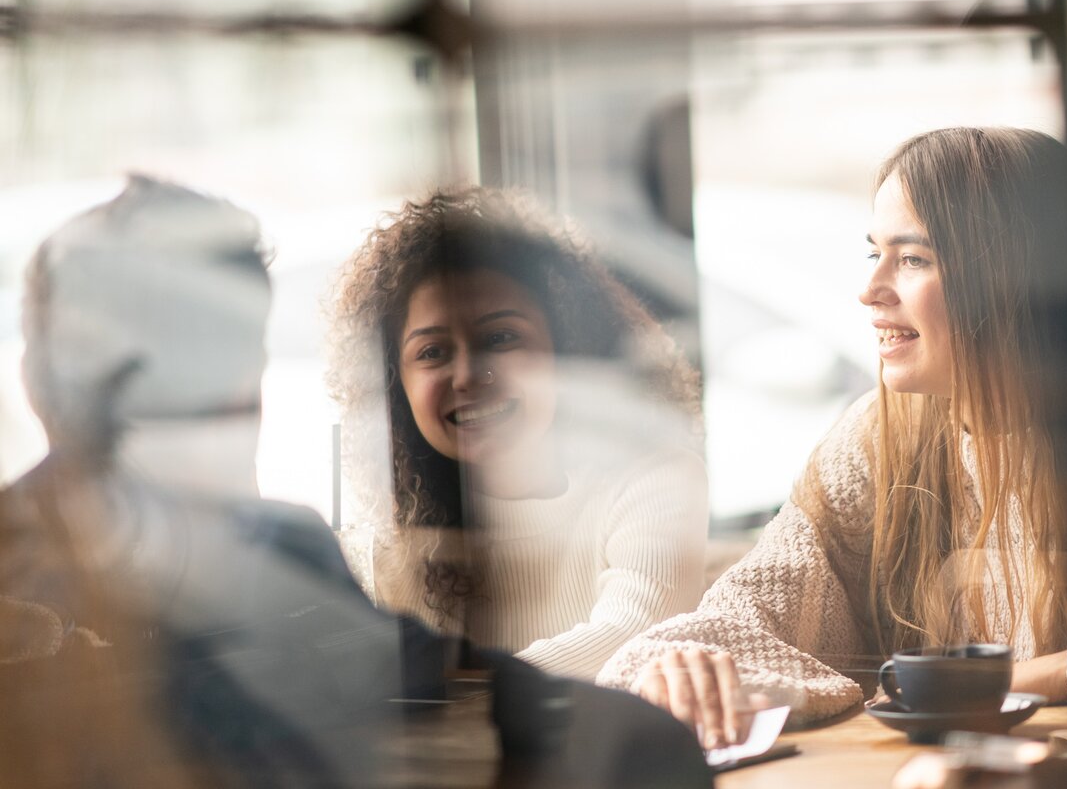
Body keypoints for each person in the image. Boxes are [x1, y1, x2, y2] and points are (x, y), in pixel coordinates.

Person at [2, 176, 714, 788]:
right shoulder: (34, 586)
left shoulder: (284, 549)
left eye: (235, 362)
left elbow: (476, 702)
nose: (237, 403)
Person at [596, 127, 1067, 749]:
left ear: (1010, 278)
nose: (870, 289)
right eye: (874, 254)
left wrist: (1043, 674)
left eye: (913, 258)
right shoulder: (877, 436)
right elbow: (750, 615)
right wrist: (677, 665)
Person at [328, 187, 708, 680]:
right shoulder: (387, 540)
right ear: (396, 386)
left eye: (500, 338)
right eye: (432, 352)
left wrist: (451, 690)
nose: (467, 375)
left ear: (566, 351)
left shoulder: (657, 479)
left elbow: (632, 640)